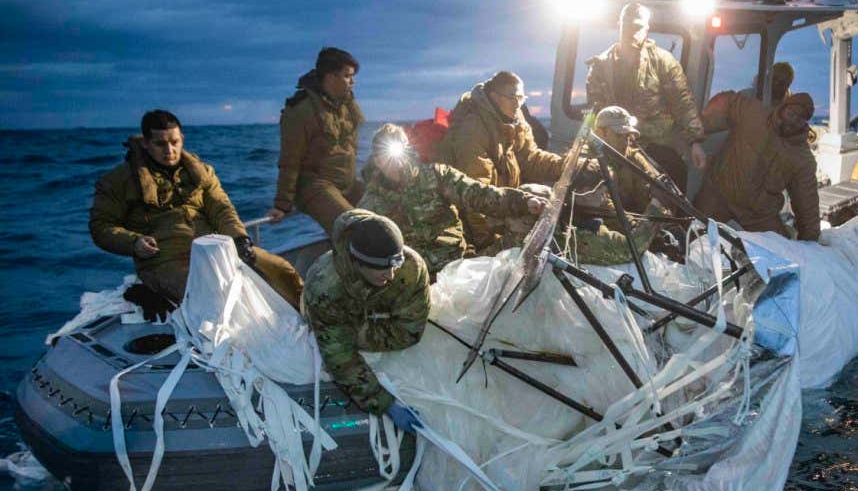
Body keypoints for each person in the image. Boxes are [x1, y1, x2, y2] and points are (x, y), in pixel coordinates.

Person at [89, 110, 304, 318]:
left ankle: (312, 320)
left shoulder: (202, 172)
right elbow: (101, 226)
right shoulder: (118, 181)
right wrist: (134, 242)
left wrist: (240, 240)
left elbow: (222, 208)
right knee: (212, 297)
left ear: (182, 138)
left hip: (214, 248)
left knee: (281, 270)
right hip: (163, 260)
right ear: (145, 143)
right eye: (160, 144)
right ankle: (151, 291)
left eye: (174, 142)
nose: (169, 150)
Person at [360, 124, 545, 278]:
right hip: (415, 281)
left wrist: (522, 201)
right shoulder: (371, 204)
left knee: (528, 220)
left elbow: (479, 194)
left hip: (459, 264)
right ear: (376, 161)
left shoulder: (437, 175)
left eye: (398, 153)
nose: (396, 164)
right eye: (385, 156)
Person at [302, 209, 430, 431]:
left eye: (394, 266)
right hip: (332, 317)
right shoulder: (324, 287)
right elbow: (340, 356)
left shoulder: (411, 267)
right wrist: (385, 404)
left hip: (360, 321)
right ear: (358, 262)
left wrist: (362, 329)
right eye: (381, 269)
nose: (390, 276)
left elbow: (410, 330)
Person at [437, 71, 567, 254]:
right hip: (477, 221)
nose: (517, 103)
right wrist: (487, 247)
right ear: (494, 96)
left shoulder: (514, 119)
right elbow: (475, 196)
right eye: (512, 97)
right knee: (529, 213)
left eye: (521, 98)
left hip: (501, 205)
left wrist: (567, 166)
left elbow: (531, 158)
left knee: (544, 197)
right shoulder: (472, 130)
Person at [585, 3, 706, 191]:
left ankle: (670, 220)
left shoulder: (663, 62)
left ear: (647, 29)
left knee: (673, 176)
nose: (632, 32)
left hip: (655, 145)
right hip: (615, 146)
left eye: (638, 27)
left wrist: (695, 142)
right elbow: (594, 113)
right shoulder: (600, 67)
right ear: (619, 25)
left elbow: (683, 103)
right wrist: (590, 142)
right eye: (628, 27)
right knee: (589, 179)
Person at [693, 90, 821, 240]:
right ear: (783, 108)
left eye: (800, 119)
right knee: (690, 231)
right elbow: (728, 101)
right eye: (791, 114)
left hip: (757, 214)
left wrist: (810, 239)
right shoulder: (754, 113)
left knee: (780, 254)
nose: (793, 121)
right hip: (719, 193)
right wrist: (695, 130)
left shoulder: (802, 158)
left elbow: (807, 202)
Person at [267, 47, 366, 233]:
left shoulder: (346, 105)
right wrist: (282, 205)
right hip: (316, 186)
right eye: (347, 76)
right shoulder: (301, 110)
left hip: (347, 183)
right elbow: (290, 159)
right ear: (330, 77)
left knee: (388, 212)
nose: (353, 82)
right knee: (355, 228)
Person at [588, 105, 658, 214]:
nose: (625, 142)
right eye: (618, 135)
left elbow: (653, 193)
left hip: (631, 223)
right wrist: (639, 228)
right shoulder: (588, 164)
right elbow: (607, 211)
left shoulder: (632, 158)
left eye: (627, 136)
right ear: (600, 134)